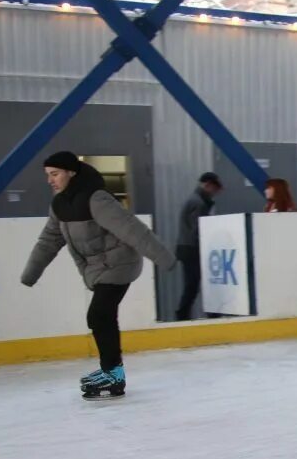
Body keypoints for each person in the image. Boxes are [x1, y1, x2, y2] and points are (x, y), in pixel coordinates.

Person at [21, 151, 177, 399]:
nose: (50, 180)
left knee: (99, 314)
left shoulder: (96, 199)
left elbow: (132, 230)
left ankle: (113, 374)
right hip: (98, 269)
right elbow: (49, 240)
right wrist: (30, 274)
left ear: (71, 172)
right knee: (101, 316)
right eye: (48, 175)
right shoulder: (60, 205)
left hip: (119, 264)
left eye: (55, 174)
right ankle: (112, 371)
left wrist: (165, 259)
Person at [175, 171, 222, 320]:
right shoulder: (199, 202)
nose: (215, 193)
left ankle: (185, 314)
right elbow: (198, 228)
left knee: (194, 284)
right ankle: (184, 314)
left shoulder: (196, 199)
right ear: (208, 185)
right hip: (192, 249)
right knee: (195, 284)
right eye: (215, 189)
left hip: (186, 247)